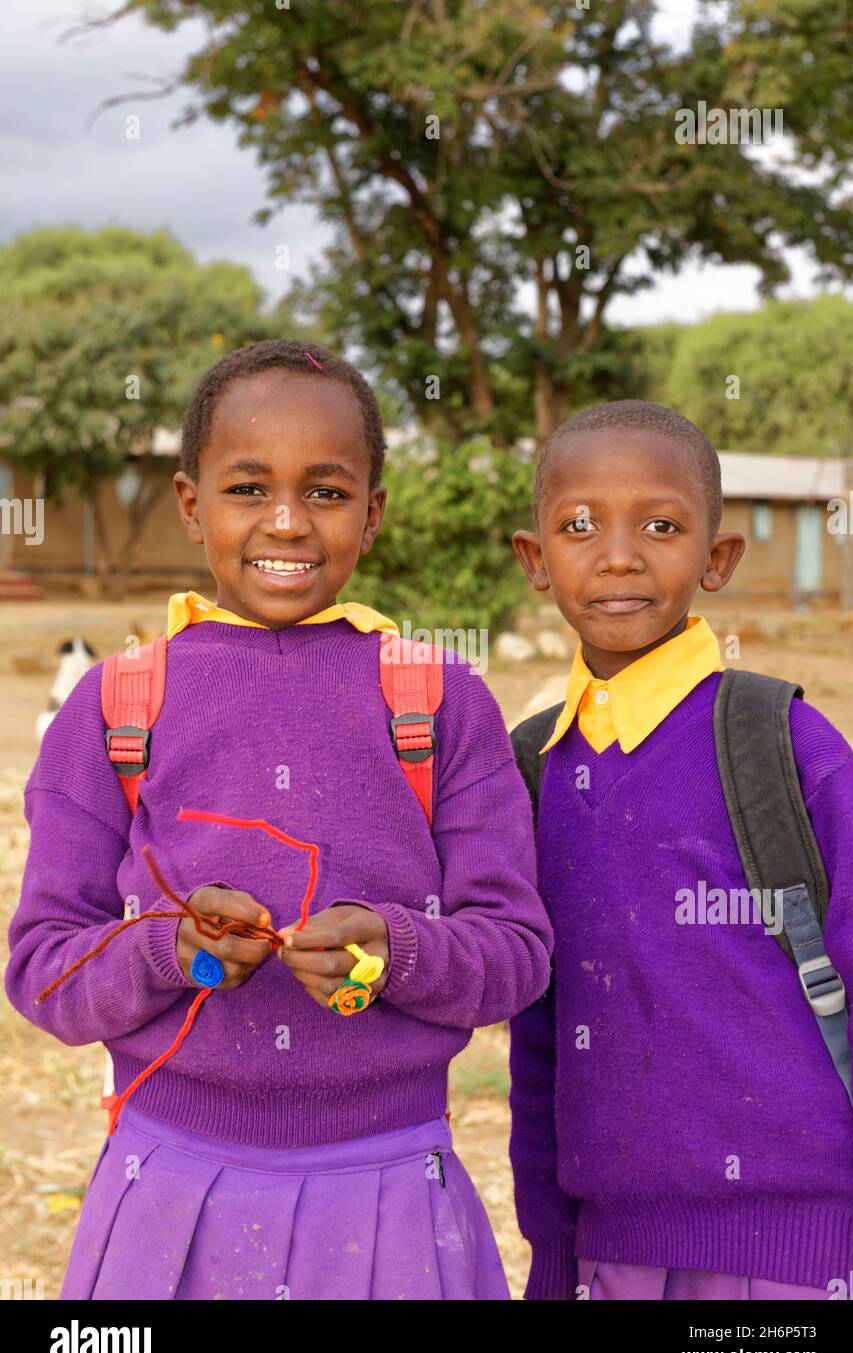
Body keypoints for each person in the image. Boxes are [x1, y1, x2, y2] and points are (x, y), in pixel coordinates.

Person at [6, 339, 552, 1301]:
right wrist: (170, 949)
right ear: (190, 503)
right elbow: (43, 969)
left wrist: (398, 948)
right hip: (168, 1190)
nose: (288, 522)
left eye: (328, 493)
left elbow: (514, 954)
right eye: (248, 488)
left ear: (373, 514)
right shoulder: (117, 703)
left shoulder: (437, 699)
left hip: (390, 1187)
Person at [508, 399, 853, 1300]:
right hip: (608, 1252)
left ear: (717, 559)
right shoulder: (535, 768)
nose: (619, 554)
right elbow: (538, 1037)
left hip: (799, 1252)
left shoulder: (781, 743)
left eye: (660, 526)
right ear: (535, 561)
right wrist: (555, 1257)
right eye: (579, 526)